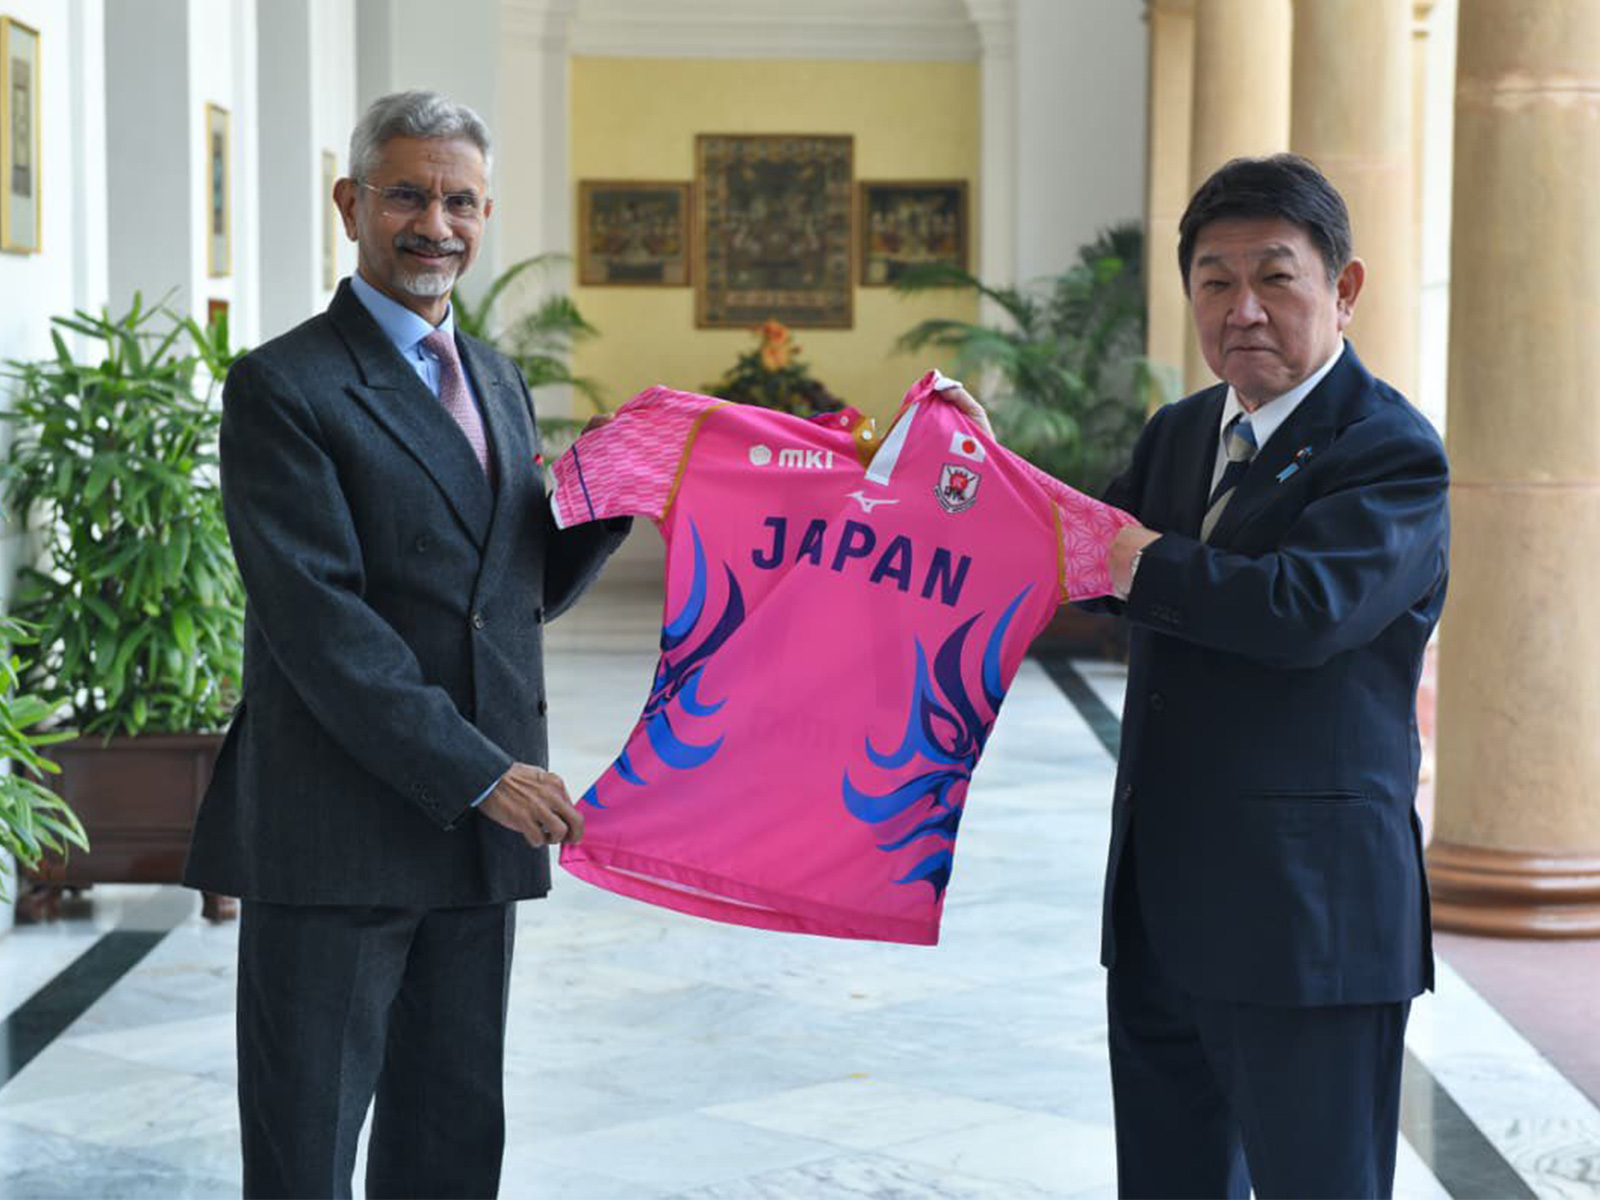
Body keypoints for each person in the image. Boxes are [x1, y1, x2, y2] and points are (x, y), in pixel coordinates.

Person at [183, 91, 628, 1199]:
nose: (437, 223)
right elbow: (321, 626)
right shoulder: (284, 387)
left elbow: (507, 593)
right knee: (307, 1150)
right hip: (338, 833)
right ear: (351, 204)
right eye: (409, 195)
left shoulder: (497, 380)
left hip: (478, 841)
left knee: (449, 1139)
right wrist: (480, 774)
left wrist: (616, 494)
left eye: (461, 201)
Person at [1096, 154, 1449, 1198]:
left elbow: (1304, 613)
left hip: (1308, 926)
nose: (1241, 309)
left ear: (1342, 290)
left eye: (1274, 277)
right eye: (1213, 280)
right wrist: (971, 474)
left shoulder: (1390, 451)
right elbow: (1086, 553)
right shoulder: (1179, 433)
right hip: (1162, 911)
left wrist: (1141, 560)